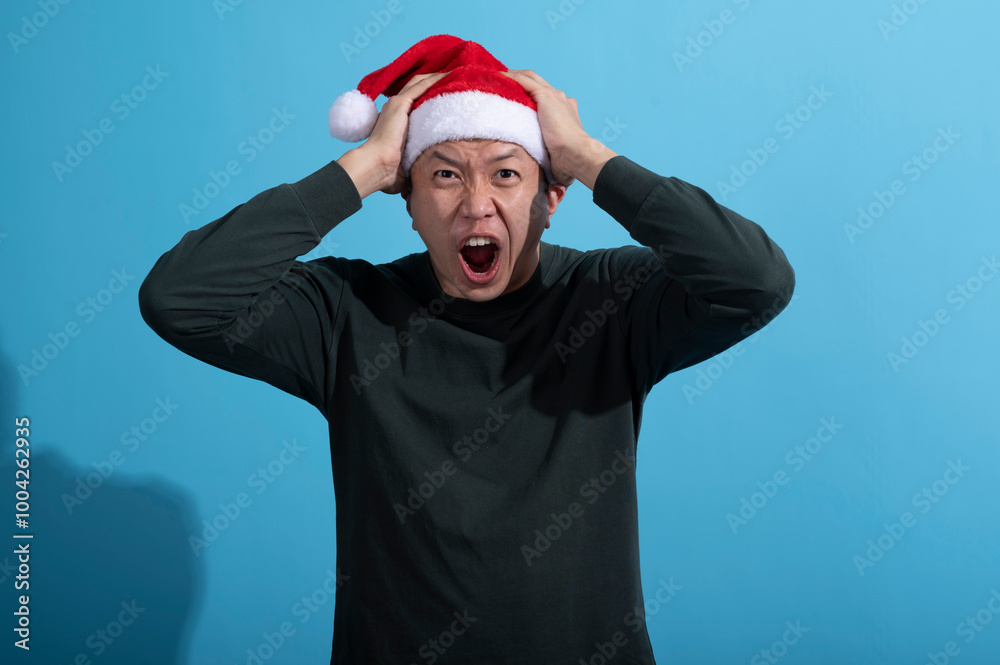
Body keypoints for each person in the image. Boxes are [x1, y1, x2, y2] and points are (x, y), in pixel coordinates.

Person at [139, 34, 795, 665]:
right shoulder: (348, 311)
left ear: (550, 199)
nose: (476, 205)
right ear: (409, 202)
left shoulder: (612, 301)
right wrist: (363, 166)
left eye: (507, 174)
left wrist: (589, 156)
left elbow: (755, 280)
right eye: (445, 175)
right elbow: (180, 296)